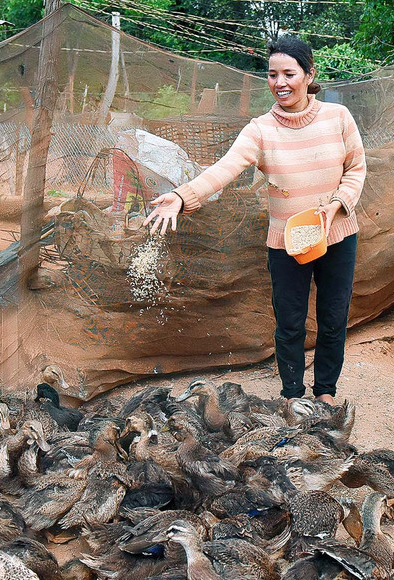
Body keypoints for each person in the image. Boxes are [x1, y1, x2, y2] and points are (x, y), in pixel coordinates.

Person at [142, 35, 366, 403]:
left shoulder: (337, 118)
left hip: (337, 234)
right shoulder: (261, 129)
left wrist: (337, 206)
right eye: (272, 74)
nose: (280, 83)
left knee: (333, 318)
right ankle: (293, 397)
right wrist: (183, 196)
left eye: (289, 74)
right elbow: (225, 168)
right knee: (290, 323)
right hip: (287, 241)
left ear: (310, 75)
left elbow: (356, 169)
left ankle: (325, 393)